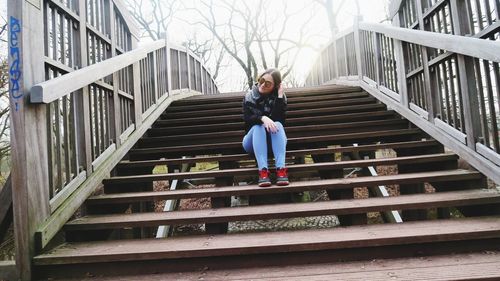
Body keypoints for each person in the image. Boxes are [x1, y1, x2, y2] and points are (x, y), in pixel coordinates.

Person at [242, 68, 289, 187]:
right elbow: (248, 119)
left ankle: (281, 170)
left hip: (273, 143)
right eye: (262, 80)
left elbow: (280, 120)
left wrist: (279, 97)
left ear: (275, 86)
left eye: (268, 83)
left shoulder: (279, 98)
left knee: (278, 124)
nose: (262, 84)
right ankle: (263, 172)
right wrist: (262, 118)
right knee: (258, 127)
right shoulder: (249, 96)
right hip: (252, 142)